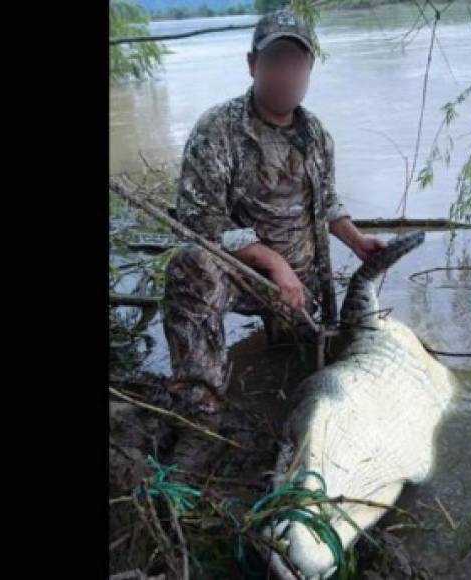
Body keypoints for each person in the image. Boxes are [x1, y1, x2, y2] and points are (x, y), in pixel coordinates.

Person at [162, 8, 385, 471]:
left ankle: (284, 339)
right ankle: (201, 420)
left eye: (296, 62)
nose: (286, 73)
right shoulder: (217, 130)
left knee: (305, 371)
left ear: (308, 69)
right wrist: (272, 262)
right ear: (251, 64)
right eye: (275, 60)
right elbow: (200, 219)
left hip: (302, 287)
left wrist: (357, 241)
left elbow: (326, 202)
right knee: (189, 265)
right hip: (246, 276)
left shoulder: (316, 133)